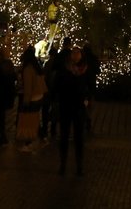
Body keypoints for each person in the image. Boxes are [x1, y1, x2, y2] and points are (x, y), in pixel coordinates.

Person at [56, 46, 90, 175]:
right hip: (66, 105)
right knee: (64, 135)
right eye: (73, 53)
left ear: (81, 55)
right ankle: (63, 164)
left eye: (78, 53)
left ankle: (79, 165)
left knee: (79, 137)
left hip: (79, 106)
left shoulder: (85, 70)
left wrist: (87, 98)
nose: (75, 55)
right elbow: (58, 85)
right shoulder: (64, 69)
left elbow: (90, 85)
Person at [16, 45, 46, 152]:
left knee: (29, 121)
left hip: (32, 97)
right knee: (35, 119)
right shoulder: (37, 67)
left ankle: (29, 143)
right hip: (40, 95)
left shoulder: (28, 69)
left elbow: (28, 86)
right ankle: (42, 137)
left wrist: (26, 101)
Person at [0, 46, 18, 147]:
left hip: (0, 92)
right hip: (8, 92)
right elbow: (14, 77)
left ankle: (1, 136)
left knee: (0, 116)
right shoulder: (10, 64)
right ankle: (1, 136)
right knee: (2, 116)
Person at [81, 42, 100, 133]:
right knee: (90, 100)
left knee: (82, 100)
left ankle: (84, 117)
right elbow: (98, 70)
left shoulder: (82, 58)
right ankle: (88, 117)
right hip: (91, 82)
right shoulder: (94, 58)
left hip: (82, 82)